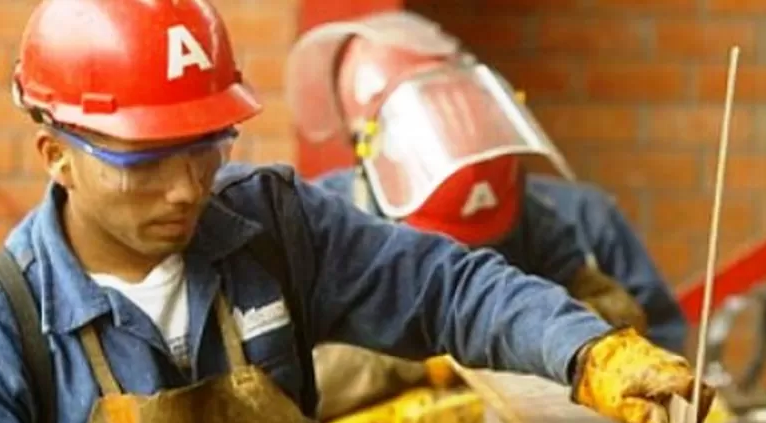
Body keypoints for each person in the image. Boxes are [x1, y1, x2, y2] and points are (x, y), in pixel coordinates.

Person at [0, 2, 710, 423]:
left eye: (206, 147)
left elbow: (446, 287)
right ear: (56, 152)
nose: (185, 188)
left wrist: (586, 350)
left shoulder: (269, 227)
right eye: (145, 160)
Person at [285, 11, 687, 352]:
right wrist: (407, 363)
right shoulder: (319, 223)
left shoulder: (541, 216)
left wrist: (559, 335)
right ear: (366, 146)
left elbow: (641, 323)